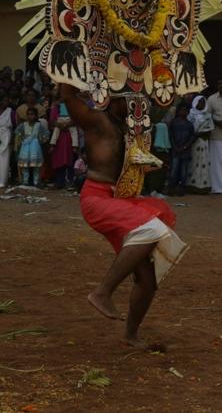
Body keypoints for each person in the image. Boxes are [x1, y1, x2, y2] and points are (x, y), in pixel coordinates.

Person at [58, 83, 185, 349]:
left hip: (121, 200)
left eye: (137, 101)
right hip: (96, 198)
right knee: (153, 230)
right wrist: (70, 67)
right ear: (112, 99)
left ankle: (130, 335)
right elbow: (68, 96)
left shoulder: (130, 129)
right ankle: (102, 292)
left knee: (147, 281)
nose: (134, 106)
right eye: (128, 100)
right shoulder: (97, 121)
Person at [14, 107, 49, 186]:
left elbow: (46, 134)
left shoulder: (38, 125)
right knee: (24, 166)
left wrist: (40, 140)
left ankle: (36, 181)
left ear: (36, 116)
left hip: (35, 148)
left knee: (36, 166)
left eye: (32, 114)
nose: (30, 116)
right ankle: (25, 181)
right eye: (28, 115)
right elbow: (17, 133)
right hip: (25, 148)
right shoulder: (23, 125)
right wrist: (19, 141)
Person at [49, 97, 79, 188]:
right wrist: (60, 125)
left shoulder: (74, 105)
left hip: (70, 136)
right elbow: (52, 121)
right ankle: (60, 182)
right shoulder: (56, 107)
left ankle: (70, 181)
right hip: (59, 138)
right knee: (59, 160)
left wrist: (69, 124)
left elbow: (77, 118)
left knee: (71, 159)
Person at [167, 103, 195, 196]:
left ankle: (181, 189)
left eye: (185, 110)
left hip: (185, 151)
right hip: (175, 150)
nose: (184, 112)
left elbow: (192, 138)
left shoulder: (189, 124)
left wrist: (185, 147)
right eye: (182, 110)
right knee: (174, 170)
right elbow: (171, 136)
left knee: (184, 171)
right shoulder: (174, 122)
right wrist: (174, 146)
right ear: (178, 111)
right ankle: (171, 188)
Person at [186, 96, 213, 192]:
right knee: (192, 162)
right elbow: (187, 128)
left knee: (203, 163)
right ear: (195, 102)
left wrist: (201, 134)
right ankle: (190, 185)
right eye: (199, 102)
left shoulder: (208, 116)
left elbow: (210, 130)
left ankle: (202, 186)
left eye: (203, 102)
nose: (201, 104)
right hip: (192, 142)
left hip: (203, 142)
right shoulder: (190, 114)